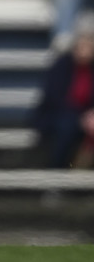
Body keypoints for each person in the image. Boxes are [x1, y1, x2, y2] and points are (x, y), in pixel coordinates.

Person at [31, 10, 94, 169]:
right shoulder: (62, 64)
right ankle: (55, 175)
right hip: (59, 115)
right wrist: (83, 117)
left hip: (87, 119)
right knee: (67, 126)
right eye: (82, 43)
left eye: (89, 44)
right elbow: (53, 98)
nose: (84, 49)